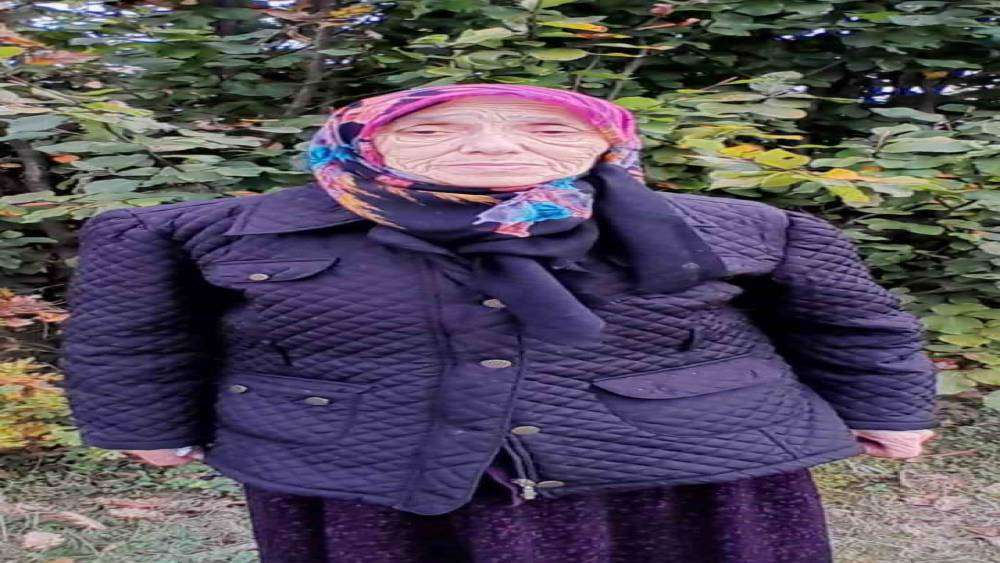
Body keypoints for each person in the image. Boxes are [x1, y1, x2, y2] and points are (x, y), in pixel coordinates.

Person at [60, 84, 938, 562]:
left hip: (684, 471)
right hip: (363, 470)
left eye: (539, 129)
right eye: (438, 129)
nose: (492, 146)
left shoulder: (748, 227)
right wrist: (143, 424)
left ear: (606, 143)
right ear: (362, 142)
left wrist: (890, 407)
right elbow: (138, 337)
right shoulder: (203, 231)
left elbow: (853, 326)